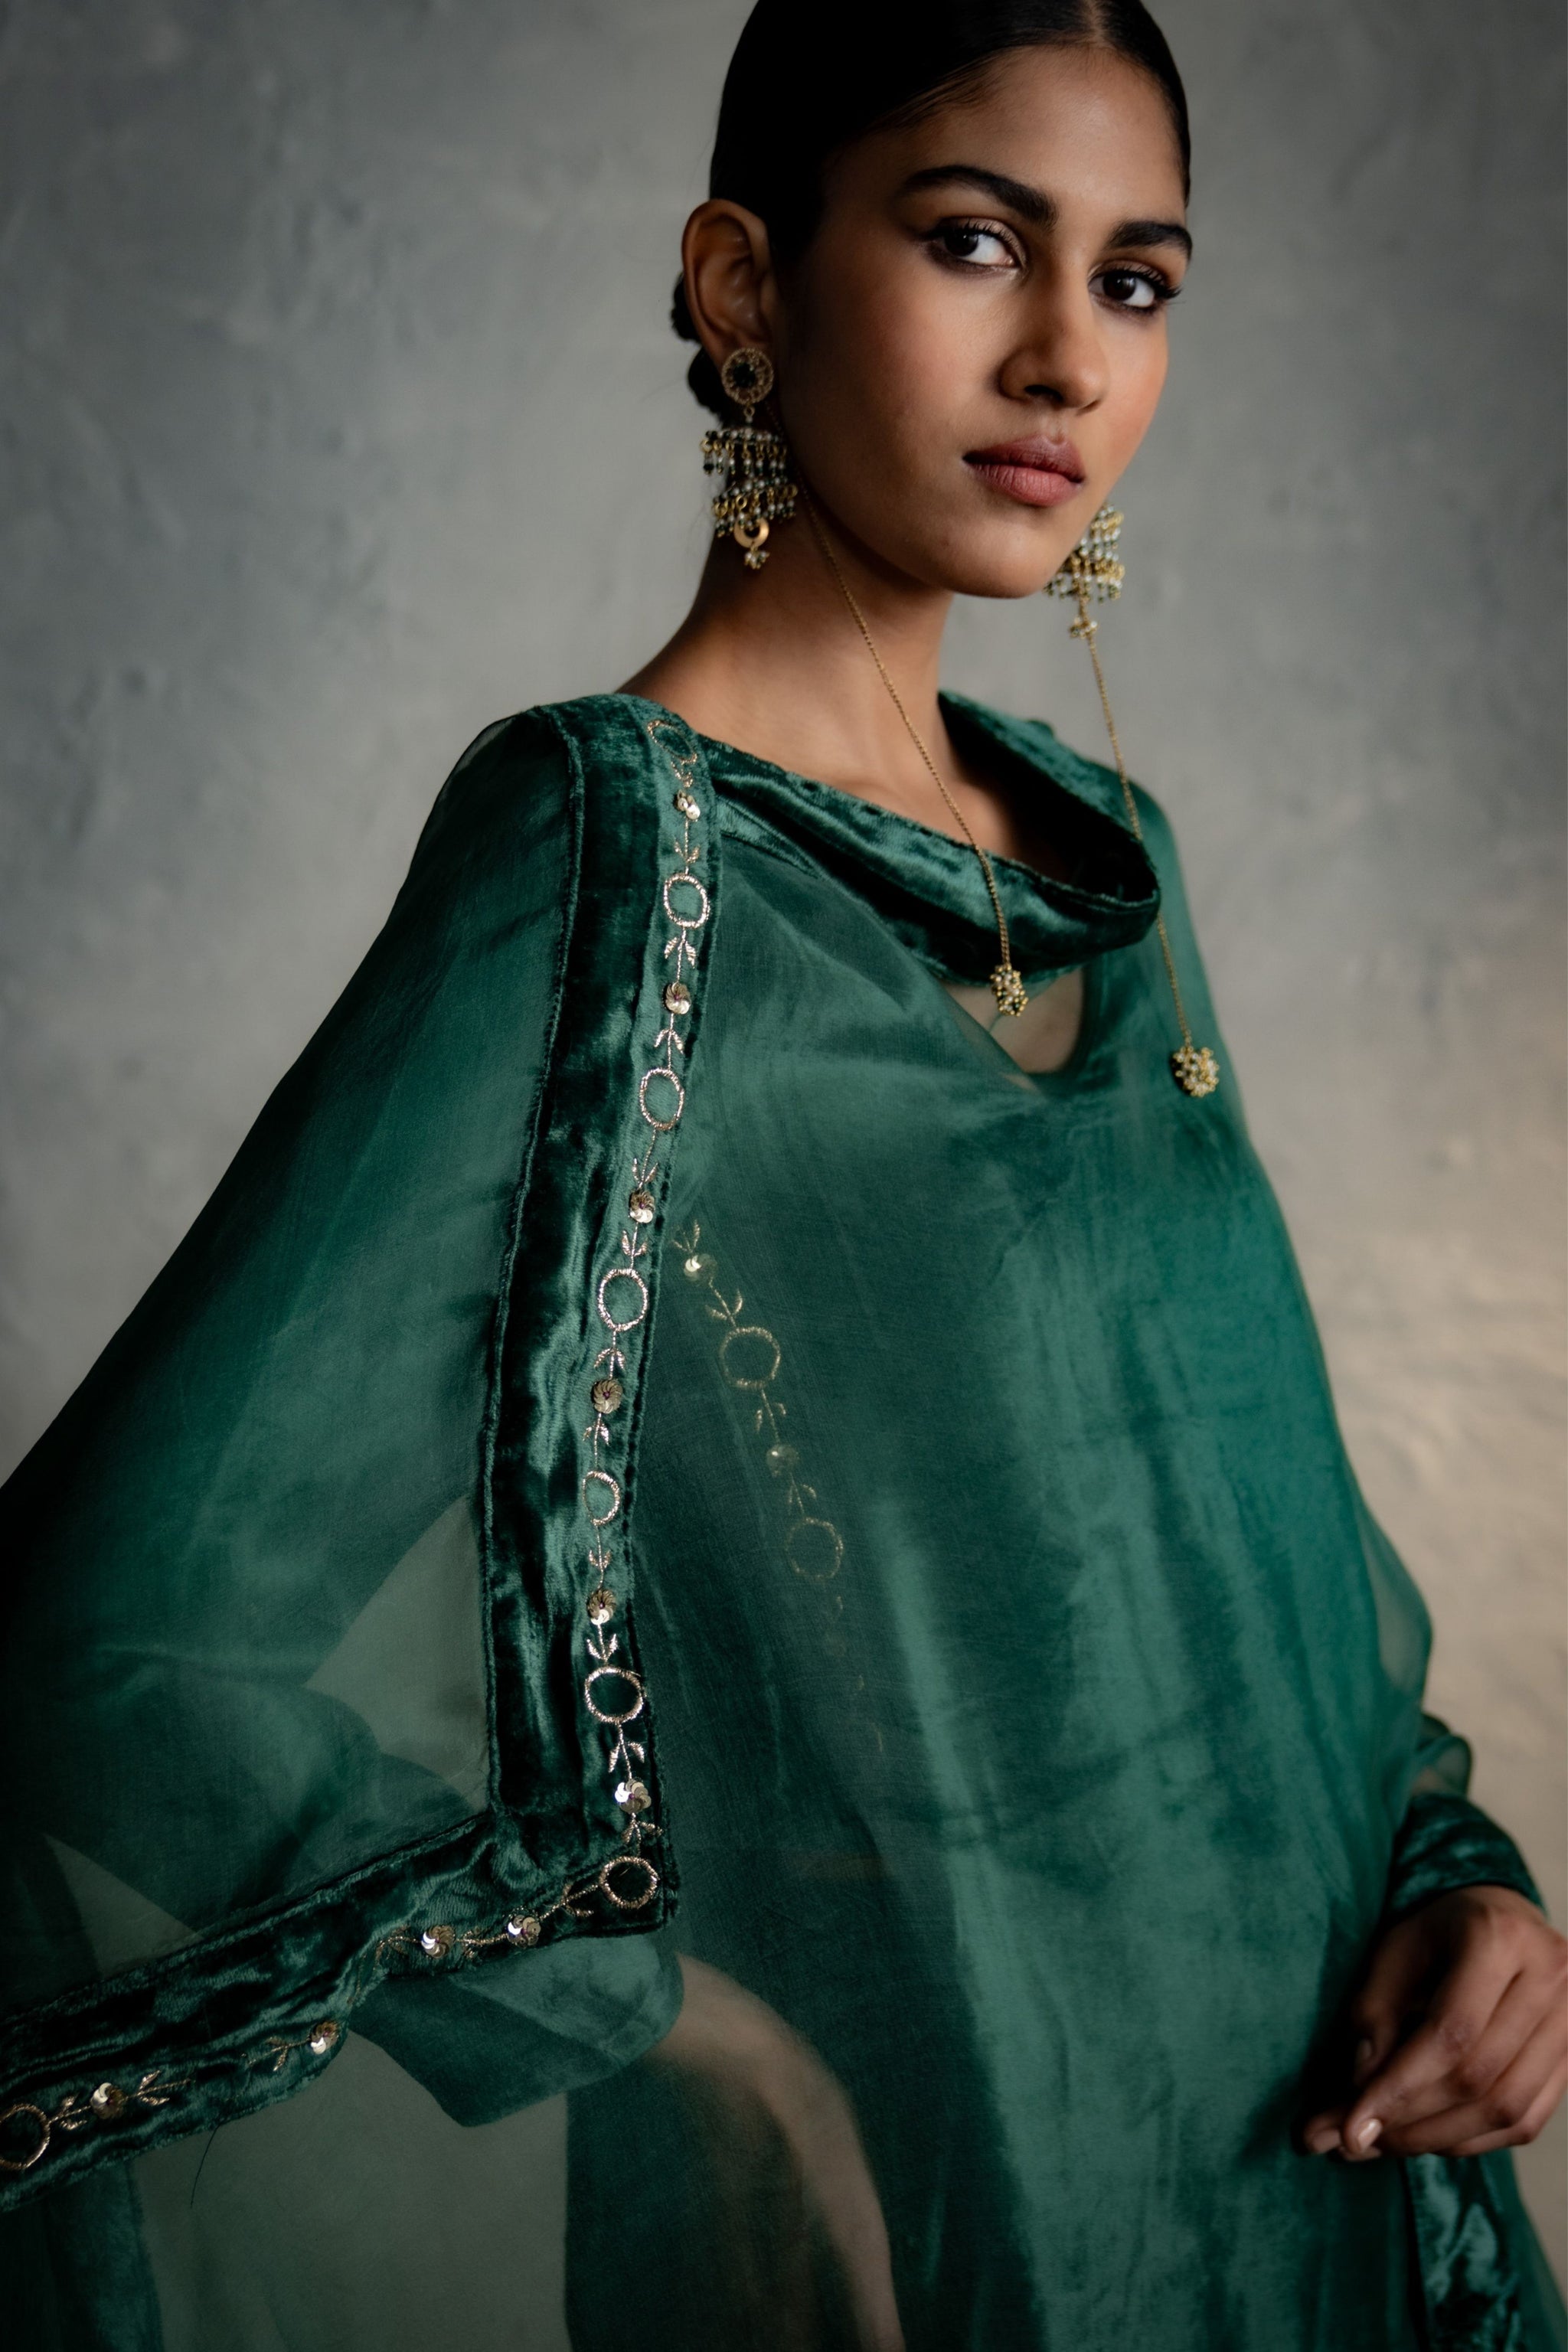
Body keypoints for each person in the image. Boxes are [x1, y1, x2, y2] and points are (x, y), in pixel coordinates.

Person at [1, 4, 1563, 2346]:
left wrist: (1464, 1881)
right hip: (939, 2204)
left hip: (1316, 2185)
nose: (1069, 357)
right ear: (743, 285)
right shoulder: (610, 865)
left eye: (1137, 280)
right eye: (975, 243)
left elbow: (1252, 1573)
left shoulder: (1105, 866)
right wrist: (659, 2034)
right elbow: (109, 1646)